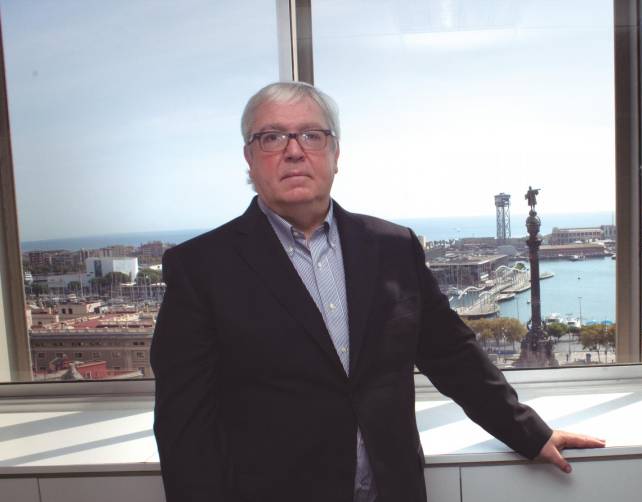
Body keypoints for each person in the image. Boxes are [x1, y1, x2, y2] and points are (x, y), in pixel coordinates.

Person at [150, 81, 605, 502]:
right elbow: (184, 424)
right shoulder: (201, 268)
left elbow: (451, 353)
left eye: (311, 135)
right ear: (249, 158)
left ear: (335, 152)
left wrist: (530, 432)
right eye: (272, 137)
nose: (293, 151)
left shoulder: (393, 247)